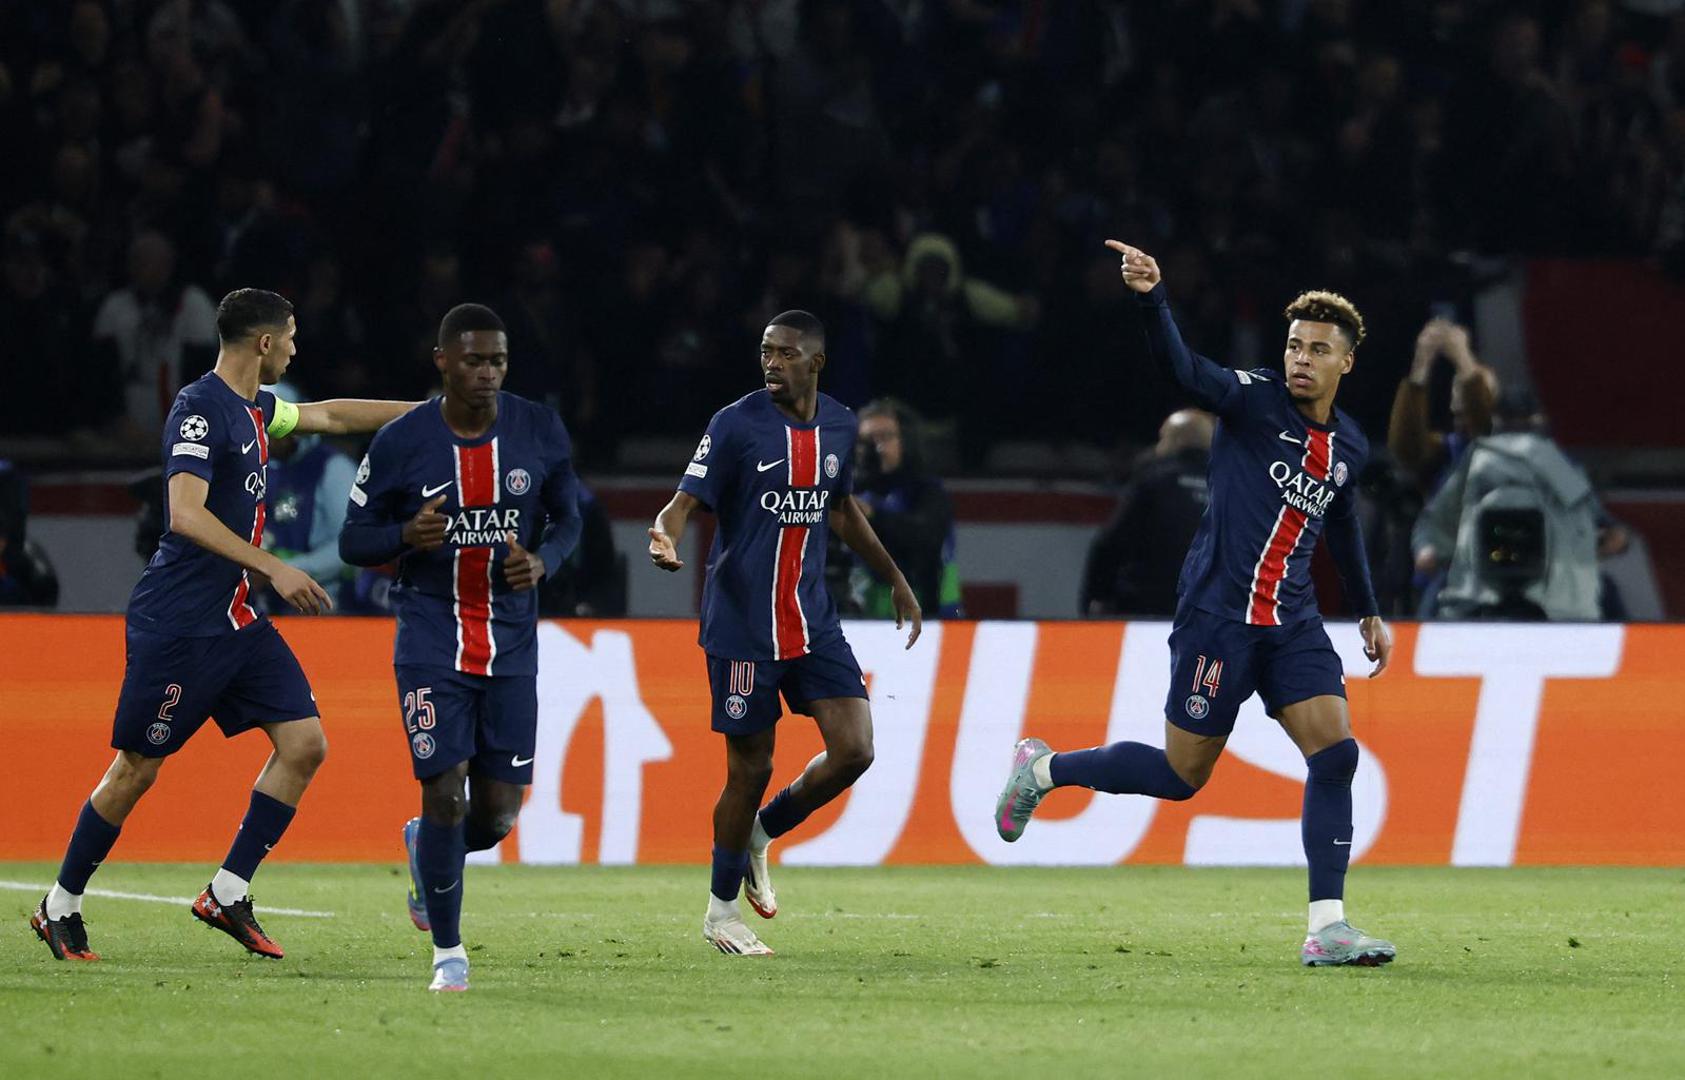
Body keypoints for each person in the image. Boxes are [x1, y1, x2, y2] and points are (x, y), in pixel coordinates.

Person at [995, 241, 1398, 969]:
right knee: (1182, 777)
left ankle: (1328, 927)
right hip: (1218, 619)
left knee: (1336, 754)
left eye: (1317, 349)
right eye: (1293, 345)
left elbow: (1339, 519)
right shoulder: (1251, 399)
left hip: (1292, 624)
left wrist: (1367, 608)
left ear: (1347, 362)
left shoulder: (1350, 445)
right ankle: (1045, 769)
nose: (1301, 359)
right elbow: (1182, 370)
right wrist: (1153, 298)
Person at [30, 288, 419, 963]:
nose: (296, 347)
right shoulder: (199, 408)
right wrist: (274, 566)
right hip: (178, 624)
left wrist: (430, 415)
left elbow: (331, 414)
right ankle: (59, 905)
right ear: (264, 342)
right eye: (290, 335)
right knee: (136, 770)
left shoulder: (258, 408)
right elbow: (185, 514)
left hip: (235, 621)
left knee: (304, 744)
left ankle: (227, 891)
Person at [648, 309, 922, 957]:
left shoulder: (839, 424)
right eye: (766, 351)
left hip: (811, 619)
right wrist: (664, 534)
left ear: (816, 362)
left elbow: (840, 507)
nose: (772, 362)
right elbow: (682, 503)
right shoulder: (735, 423)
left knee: (854, 749)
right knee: (751, 767)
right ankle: (720, 914)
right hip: (742, 625)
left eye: (786, 353)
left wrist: (893, 575)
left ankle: (760, 832)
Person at [339, 303, 581, 992]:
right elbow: (352, 540)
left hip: (511, 644)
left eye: (497, 360)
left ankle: (428, 848)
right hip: (430, 637)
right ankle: (448, 953)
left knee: (497, 814)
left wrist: (543, 562)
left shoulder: (538, 428)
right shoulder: (401, 442)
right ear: (442, 361)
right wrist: (401, 537)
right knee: (443, 791)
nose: (487, 373)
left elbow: (568, 518)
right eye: (473, 360)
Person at [1411, 389, 1622, 622]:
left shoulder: (1557, 465)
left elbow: (1606, 528)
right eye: (1512, 423)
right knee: (1436, 599)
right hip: (1479, 579)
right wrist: (1427, 549)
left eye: (1521, 422)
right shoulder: (1476, 461)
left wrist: (1599, 542)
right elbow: (1435, 520)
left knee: (1606, 594)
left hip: (1551, 581)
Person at [1081, 408, 1215, 617]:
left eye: (1163, 439)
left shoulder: (1153, 480)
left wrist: (1096, 597)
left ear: (1175, 441)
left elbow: (1110, 544)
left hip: (1148, 608)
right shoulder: (1234, 488)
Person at [849, 398, 961, 619]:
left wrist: (871, 515)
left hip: (931, 619)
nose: (876, 447)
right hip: (865, 622)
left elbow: (924, 537)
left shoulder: (928, 492)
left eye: (885, 436)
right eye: (867, 440)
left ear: (906, 440)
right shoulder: (848, 493)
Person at [256, 389, 359, 614]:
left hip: (323, 601)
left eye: (273, 427)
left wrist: (280, 570)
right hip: (266, 600)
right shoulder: (256, 465)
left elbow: (351, 547)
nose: (266, 436)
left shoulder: (333, 469)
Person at [1387, 316, 1497, 494]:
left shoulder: (1508, 446)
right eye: (1460, 384)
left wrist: (1463, 358)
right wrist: (1421, 365)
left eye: (1475, 387)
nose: (1465, 387)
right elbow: (1407, 450)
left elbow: (1484, 428)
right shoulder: (1446, 449)